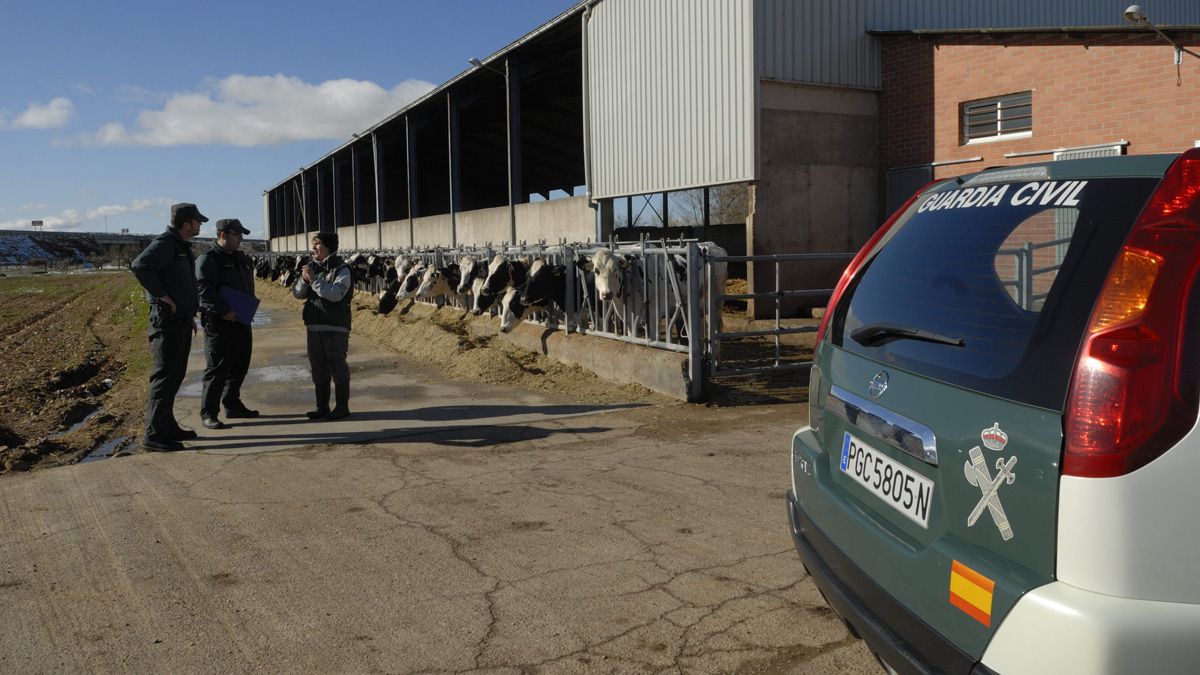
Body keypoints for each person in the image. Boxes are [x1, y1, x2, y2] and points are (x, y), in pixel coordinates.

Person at [131, 202, 206, 451]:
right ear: (187, 224)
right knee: (163, 377)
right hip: (167, 324)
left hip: (180, 321)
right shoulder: (166, 243)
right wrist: (161, 296)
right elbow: (140, 266)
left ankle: (167, 426)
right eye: (197, 221)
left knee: (175, 376)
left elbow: (181, 284)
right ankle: (153, 434)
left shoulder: (179, 246)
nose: (200, 225)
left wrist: (189, 314)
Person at [195, 218, 259, 429]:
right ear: (223, 235)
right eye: (237, 235)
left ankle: (232, 404)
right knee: (218, 368)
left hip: (241, 318)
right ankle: (209, 413)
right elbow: (202, 289)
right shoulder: (209, 259)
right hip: (220, 322)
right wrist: (224, 310)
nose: (241, 238)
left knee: (240, 365)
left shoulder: (240, 258)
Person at [292, 231, 354, 420]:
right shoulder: (312, 267)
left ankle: (342, 407)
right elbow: (297, 294)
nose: (313, 249)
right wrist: (304, 280)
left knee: (337, 367)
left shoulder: (342, 269)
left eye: (317, 245)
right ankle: (322, 407)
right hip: (314, 325)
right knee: (318, 368)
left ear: (328, 247)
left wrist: (313, 280)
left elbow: (336, 294)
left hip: (335, 326)